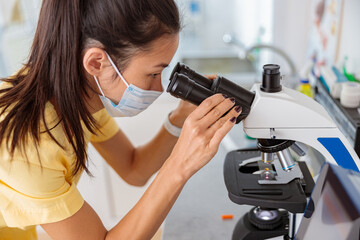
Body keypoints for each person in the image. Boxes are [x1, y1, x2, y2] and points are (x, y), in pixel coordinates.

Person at [0, 1, 242, 239]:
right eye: (153, 73)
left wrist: (180, 118)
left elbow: (134, 168)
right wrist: (181, 165)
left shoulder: (77, 93)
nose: (159, 89)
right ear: (97, 62)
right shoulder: (28, 146)